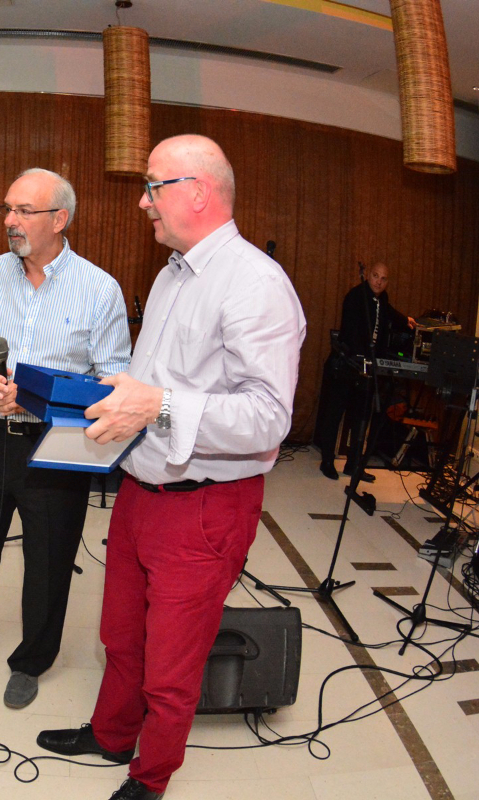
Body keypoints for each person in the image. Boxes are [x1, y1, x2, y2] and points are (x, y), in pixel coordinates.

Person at [36, 136, 306, 800]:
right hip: (141, 489)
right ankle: (110, 735)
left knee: (171, 664)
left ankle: (150, 777)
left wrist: (157, 403)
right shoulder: (171, 273)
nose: (143, 201)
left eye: (153, 186)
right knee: (121, 636)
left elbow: (268, 418)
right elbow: (157, 383)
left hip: (204, 505)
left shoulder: (256, 284)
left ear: (199, 192)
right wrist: (113, 394)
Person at [0, 168, 132, 709]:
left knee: (48, 561)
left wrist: (39, 398)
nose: (10, 221)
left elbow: (113, 382)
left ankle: (32, 660)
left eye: (23, 211)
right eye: (7, 210)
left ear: (59, 220)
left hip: (58, 447)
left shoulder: (99, 290)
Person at [313, 261, 415, 481]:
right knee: (335, 414)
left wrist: (405, 320)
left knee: (361, 418)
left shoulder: (382, 300)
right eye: (375, 276)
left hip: (368, 369)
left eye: (383, 278)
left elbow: (388, 312)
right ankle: (327, 461)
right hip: (348, 365)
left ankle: (353, 465)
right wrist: (361, 356)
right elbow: (352, 333)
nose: (378, 282)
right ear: (368, 275)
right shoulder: (355, 297)